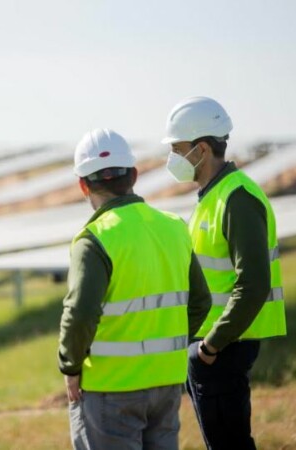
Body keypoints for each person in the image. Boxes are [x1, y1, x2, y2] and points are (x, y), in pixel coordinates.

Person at [58, 128, 212, 450]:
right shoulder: (174, 227)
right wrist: (165, 346)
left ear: (83, 185)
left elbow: (80, 313)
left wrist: (70, 366)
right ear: (134, 175)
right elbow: (200, 302)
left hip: (110, 387)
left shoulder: (94, 239)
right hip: (166, 383)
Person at [162, 96, 287, 450]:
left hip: (223, 347)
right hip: (212, 347)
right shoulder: (212, 196)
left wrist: (210, 346)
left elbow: (253, 284)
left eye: (177, 149)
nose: (172, 158)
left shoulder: (237, 198)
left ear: (201, 149)